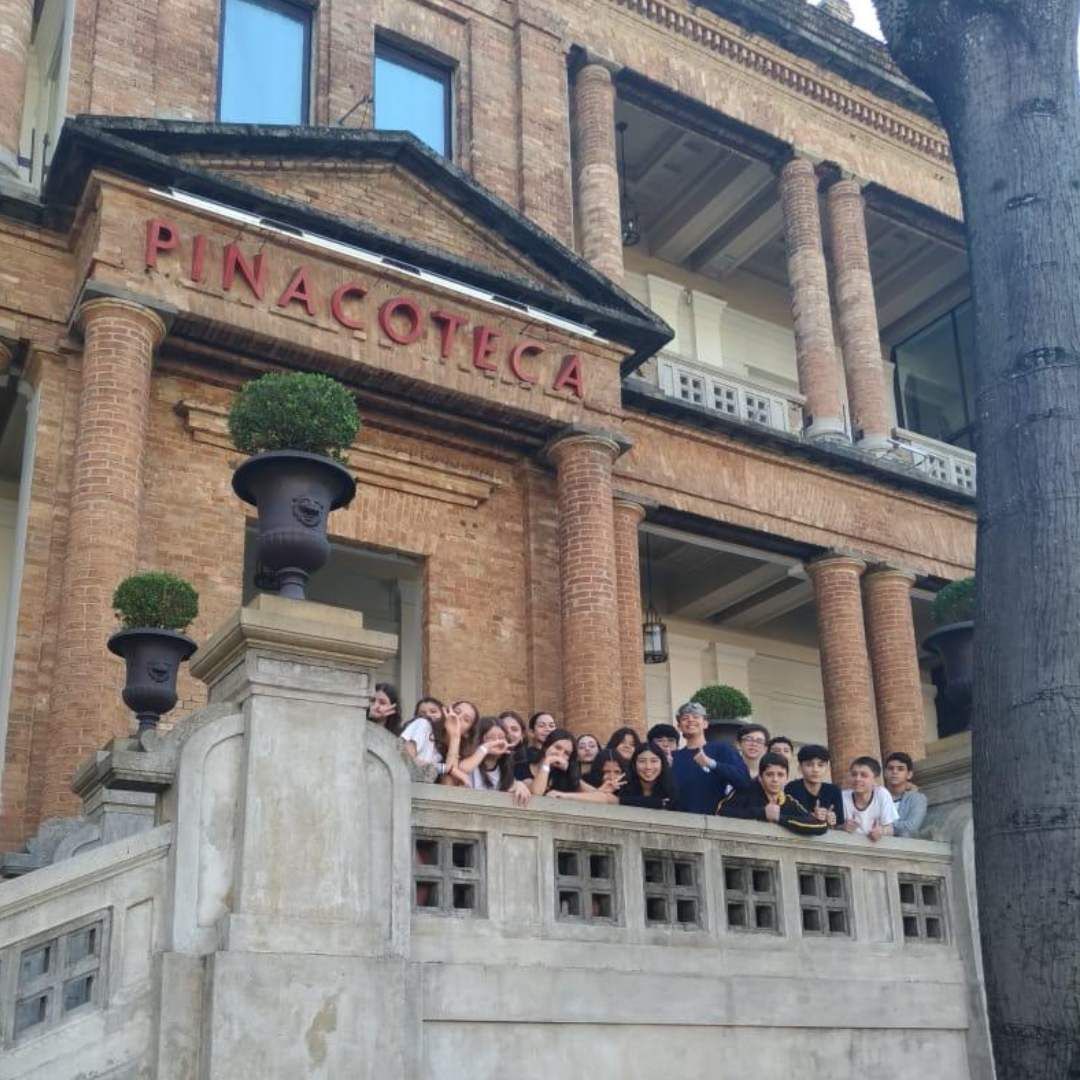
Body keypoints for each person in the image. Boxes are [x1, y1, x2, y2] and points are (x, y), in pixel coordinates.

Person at [718, 752, 828, 836]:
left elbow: (820, 826)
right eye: (769, 774)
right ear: (760, 777)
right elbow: (721, 812)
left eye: (780, 775)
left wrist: (780, 818)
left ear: (786, 778)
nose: (775, 779)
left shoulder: (788, 801)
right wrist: (762, 813)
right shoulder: (746, 790)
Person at [670, 702, 749, 814]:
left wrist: (712, 764)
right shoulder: (674, 757)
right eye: (685, 718)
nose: (690, 720)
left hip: (714, 819)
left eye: (696, 717)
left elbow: (743, 780)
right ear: (679, 726)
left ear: (705, 724)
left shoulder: (721, 749)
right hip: (680, 820)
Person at [451, 715, 531, 806]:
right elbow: (461, 769)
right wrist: (485, 748)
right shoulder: (471, 763)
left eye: (501, 737)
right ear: (479, 740)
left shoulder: (504, 770)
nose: (497, 742)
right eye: (490, 738)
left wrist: (519, 785)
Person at [528, 728, 619, 803]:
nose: (560, 754)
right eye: (557, 748)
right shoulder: (525, 766)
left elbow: (606, 799)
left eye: (566, 753)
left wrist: (564, 795)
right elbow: (536, 794)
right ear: (546, 746)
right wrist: (547, 762)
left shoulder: (564, 775)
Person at [400, 699, 479, 781]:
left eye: (466, 719)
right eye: (457, 712)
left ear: (467, 733)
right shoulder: (423, 725)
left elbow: (449, 783)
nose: (458, 718)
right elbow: (407, 762)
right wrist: (447, 769)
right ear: (446, 713)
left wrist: (455, 737)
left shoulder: (447, 752)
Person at [786, 744, 845, 828]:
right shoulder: (792, 788)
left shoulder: (834, 791)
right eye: (809, 765)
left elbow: (840, 824)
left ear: (827, 768)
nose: (815, 770)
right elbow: (788, 817)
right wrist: (812, 817)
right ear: (800, 768)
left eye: (820, 765)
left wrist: (832, 820)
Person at [842, 756, 898, 841]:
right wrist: (843, 827)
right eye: (854, 774)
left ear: (875, 779)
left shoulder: (882, 794)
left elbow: (890, 829)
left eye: (864, 775)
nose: (857, 779)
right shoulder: (843, 796)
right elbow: (834, 827)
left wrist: (881, 831)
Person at [619, 742, 679, 811]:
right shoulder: (622, 786)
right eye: (642, 761)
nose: (648, 767)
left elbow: (667, 804)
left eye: (654, 761)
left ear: (662, 763)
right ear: (634, 764)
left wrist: (619, 800)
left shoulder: (671, 787)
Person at [884, 752, 928, 838]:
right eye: (890, 768)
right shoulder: (877, 797)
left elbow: (911, 826)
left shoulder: (917, 798)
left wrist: (883, 827)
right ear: (885, 773)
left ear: (909, 774)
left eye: (900, 769)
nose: (894, 772)